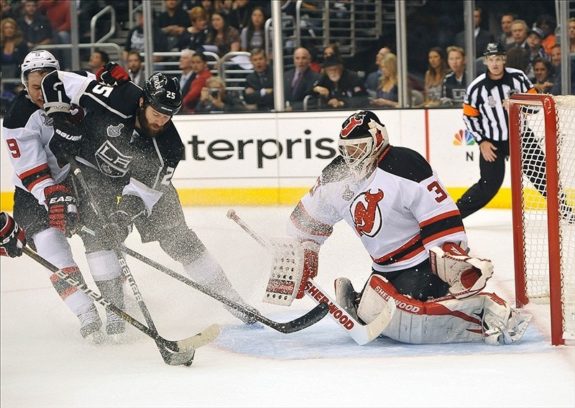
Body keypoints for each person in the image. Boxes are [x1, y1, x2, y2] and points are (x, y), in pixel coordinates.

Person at [285, 110, 530, 345]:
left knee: (407, 321)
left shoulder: (404, 164)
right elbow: (306, 220)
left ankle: (486, 310)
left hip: (420, 265)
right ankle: (366, 302)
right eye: (346, 149)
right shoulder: (336, 175)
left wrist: (451, 258)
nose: (351, 156)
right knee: (376, 311)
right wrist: (304, 248)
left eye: (358, 148)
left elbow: (441, 217)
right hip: (382, 269)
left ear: (378, 140)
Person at [40, 68, 256, 323]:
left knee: (180, 240)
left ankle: (232, 300)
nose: (161, 121)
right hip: (92, 175)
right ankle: (116, 314)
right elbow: (54, 79)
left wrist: (122, 218)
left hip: (141, 187)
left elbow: (143, 193)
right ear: (142, 101)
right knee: (98, 239)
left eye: (168, 115)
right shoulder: (117, 98)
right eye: (157, 113)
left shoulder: (170, 147)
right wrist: (60, 118)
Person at [1, 50, 107, 340]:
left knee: (102, 237)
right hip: (34, 191)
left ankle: (115, 305)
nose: (40, 93)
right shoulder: (17, 118)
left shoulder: (75, 90)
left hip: (80, 179)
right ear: (24, 84)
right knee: (49, 245)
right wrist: (53, 196)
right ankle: (85, 312)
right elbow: (31, 171)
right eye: (34, 87)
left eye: (46, 85)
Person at [456, 43, 540, 219]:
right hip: (492, 141)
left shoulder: (519, 77)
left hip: (521, 137)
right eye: (491, 59)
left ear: (504, 60)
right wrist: (481, 142)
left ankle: (564, 210)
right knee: (489, 185)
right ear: (486, 61)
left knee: (542, 176)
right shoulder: (476, 87)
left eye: (498, 59)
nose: (495, 63)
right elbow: (469, 117)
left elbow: (536, 106)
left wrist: (517, 106)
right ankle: (454, 216)